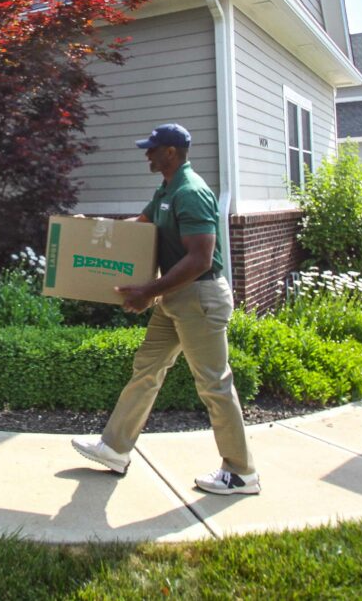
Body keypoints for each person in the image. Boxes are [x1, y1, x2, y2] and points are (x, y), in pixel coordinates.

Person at [71, 124, 259, 496]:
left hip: (199, 298)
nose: (147, 155)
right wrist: (90, 230)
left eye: (152, 149)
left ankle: (241, 472)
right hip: (174, 297)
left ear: (170, 152)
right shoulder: (166, 191)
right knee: (147, 369)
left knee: (214, 383)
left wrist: (147, 291)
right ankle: (115, 449)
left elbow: (201, 258)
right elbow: (137, 229)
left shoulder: (191, 192)